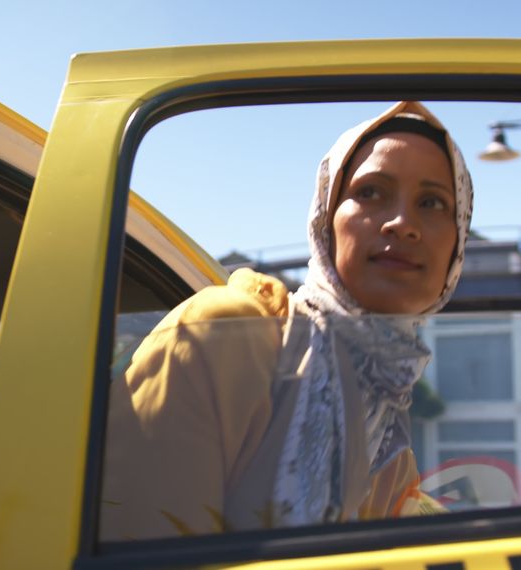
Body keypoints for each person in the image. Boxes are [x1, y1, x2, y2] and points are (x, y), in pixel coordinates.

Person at [100, 101, 473, 541]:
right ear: (326, 219)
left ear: (458, 243)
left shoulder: (388, 412)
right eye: (371, 191)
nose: (402, 223)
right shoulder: (224, 334)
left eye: (432, 203)